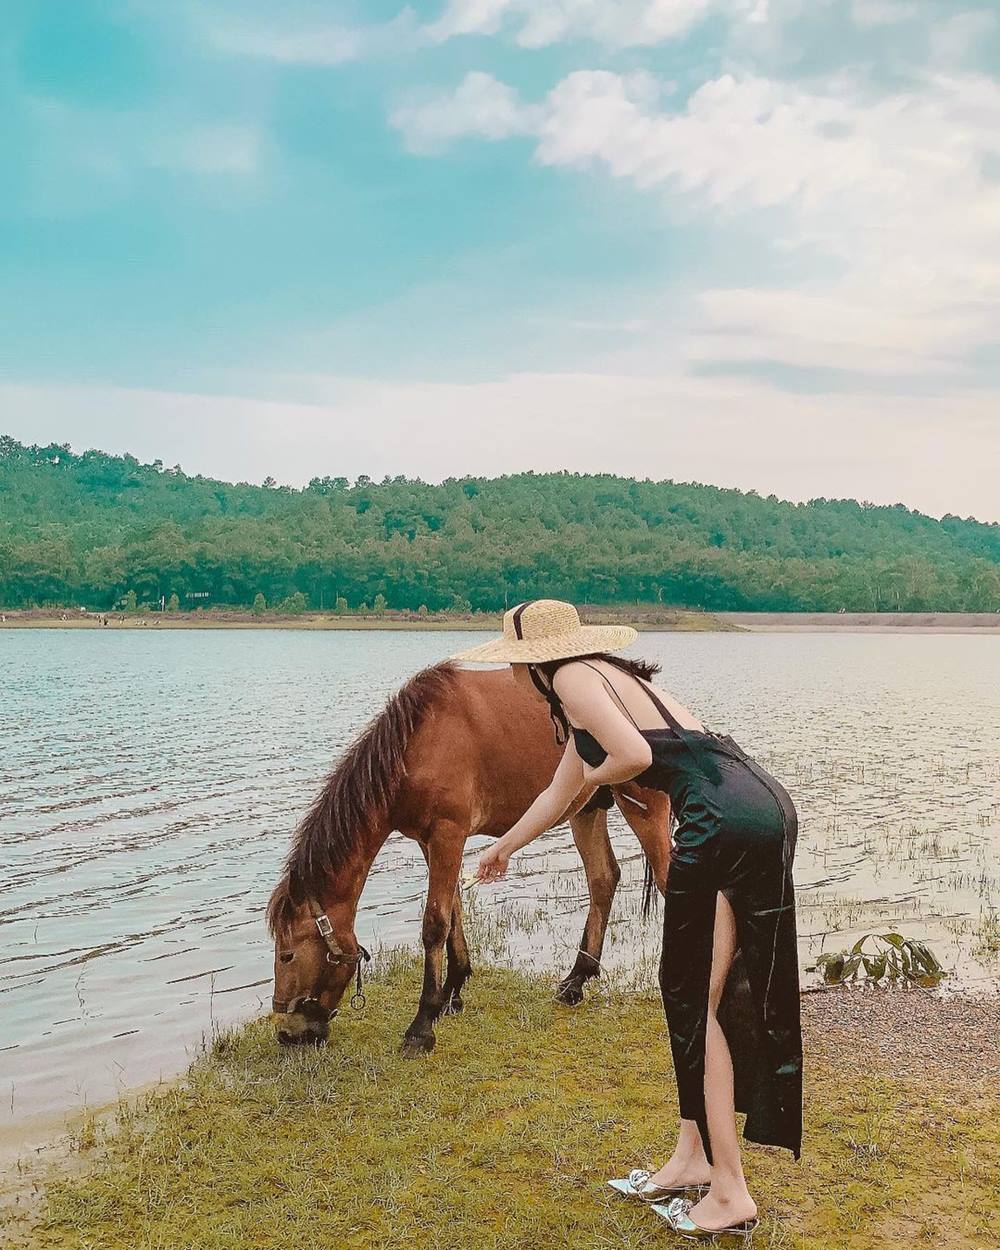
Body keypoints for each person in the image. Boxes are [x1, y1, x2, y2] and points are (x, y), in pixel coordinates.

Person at [449, 599, 801, 1240]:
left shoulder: (571, 679)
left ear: (533, 663)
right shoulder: (600, 680)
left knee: (698, 1001)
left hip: (720, 818)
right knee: (700, 993)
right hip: (757, 802)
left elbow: (631, 757)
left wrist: (598, 773)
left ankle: (730, 1192)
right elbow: (563, 790)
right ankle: (692, 1157)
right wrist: (503, 847)